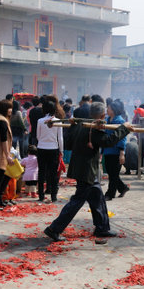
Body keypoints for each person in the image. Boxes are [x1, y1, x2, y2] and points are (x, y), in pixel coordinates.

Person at [43, 102, 133, 242]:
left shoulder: (81, 124)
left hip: (83, 168)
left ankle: (102, 228)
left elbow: (71, 134)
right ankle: (54, 228)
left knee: (97, 198)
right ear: (102, 115)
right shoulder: (92, 129)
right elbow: (108, 141)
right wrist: (124, 129)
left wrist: (73, 122)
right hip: (86, 171)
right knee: (77, 201)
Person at [36, 98, 64, 203]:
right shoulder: (58, 121)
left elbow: (38, 136)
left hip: (42, 148)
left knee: (41, 172)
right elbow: (60, 138)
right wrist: (61, 150)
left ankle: (41, 196)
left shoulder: (40, 121)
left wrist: (43, 141)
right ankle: (53, 196)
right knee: (53, 173)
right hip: (53, 148)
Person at [103, 99, 130, 200]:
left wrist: (122, 153)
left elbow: (122, 138)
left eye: (108, 108)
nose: (107, 109)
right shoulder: (108, 120)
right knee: (111, 173)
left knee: (113, 175)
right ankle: (123, 188)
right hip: (107, 150)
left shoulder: (120, 121)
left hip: (116, 151)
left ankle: (110, 194)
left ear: (113, 110)